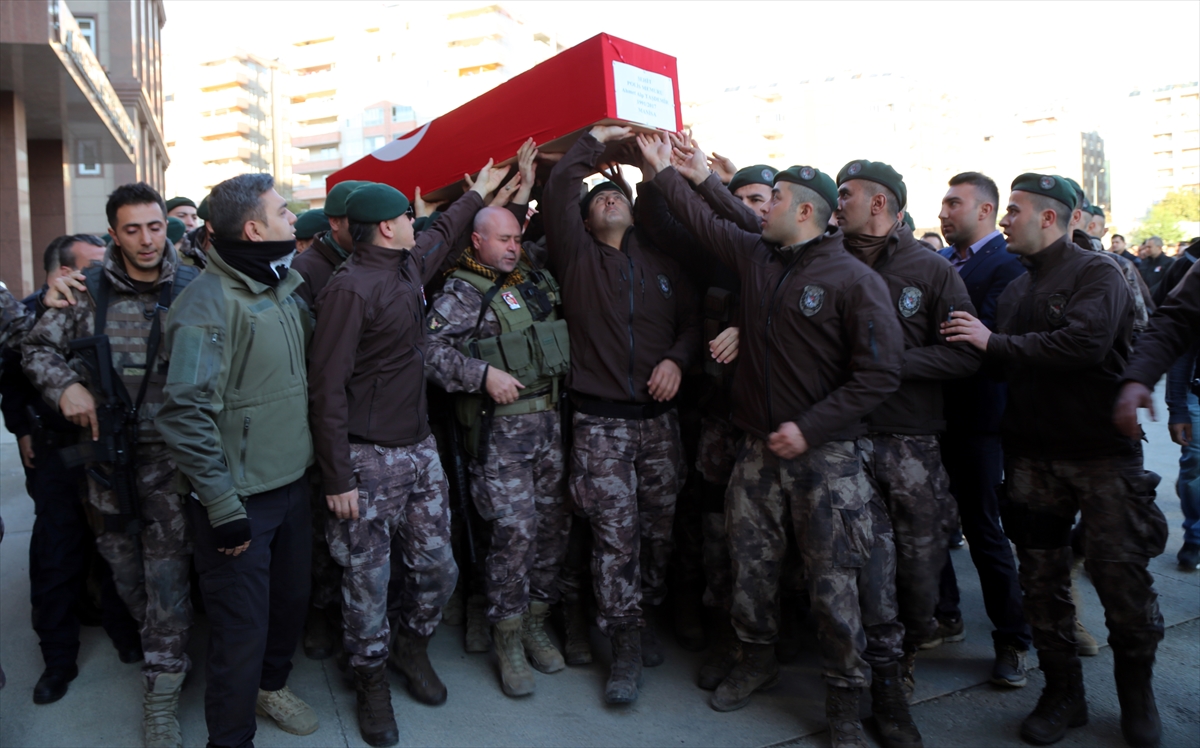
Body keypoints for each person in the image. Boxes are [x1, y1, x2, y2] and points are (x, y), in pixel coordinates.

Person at [644, 136, 913, 747]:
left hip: (829, 459)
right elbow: (707, 222)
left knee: (835, 580)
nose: (763, 209)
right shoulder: (758, 259)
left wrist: (810, 427)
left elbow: (880, 374)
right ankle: (756, 662)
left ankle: (847, 699)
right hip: (756, 451)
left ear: (805, 212)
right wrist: (669, 172)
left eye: (778, 199)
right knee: (752, 567)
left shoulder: (852, 279)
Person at [944, 173, 1167, 748]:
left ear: (1048, 218)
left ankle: (1136, 698)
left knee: (1122, 581)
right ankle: (1062, 694)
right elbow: (1005, 364)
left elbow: (1081, 346)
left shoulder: (1100, 273)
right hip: (1032, 457)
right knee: (1041, 584)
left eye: (1014, 210)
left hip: (1101, 457)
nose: (1007, 219)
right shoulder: (1018, 289)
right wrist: (966, 347)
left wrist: (991, 343)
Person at [309, 166, 500, 745]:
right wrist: (337, 475)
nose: (413, 223)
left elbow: (442, 233)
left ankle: (410, 647)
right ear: (384, 229)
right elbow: (326, 388)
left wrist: (478, 192)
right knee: (366, 583)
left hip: (419, 451)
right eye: (404, 217)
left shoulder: (406, 264)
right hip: (365, 463)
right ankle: (370, 683)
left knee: (438, 569)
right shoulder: (349, 289)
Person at [22, 184, 199, 748]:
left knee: (168, 581)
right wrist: (66, 386)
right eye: (132, 230)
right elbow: (35, 349)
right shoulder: (85, 291)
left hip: (173, 465)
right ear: (113, 233)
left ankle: (162, 693)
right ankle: (163, 650)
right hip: (107, 468)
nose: (147, 240)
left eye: (154, 226)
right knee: (127, 577)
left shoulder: (197, 287)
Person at [156, 173, 318, 748]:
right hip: (239, 501)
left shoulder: (280, 286)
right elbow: (183, 415)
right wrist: (223, 505)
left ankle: (270, 687)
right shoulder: (206, 304)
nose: (294, 216)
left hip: (291, 486)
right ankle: (230, 739)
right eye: (282, 210)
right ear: (254, 228)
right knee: (239, 634)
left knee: (289, 607)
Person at [542, 126, 701, 707]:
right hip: (600, 426)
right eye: (598, 202)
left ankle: (644, 616)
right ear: (583, 223)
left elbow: (691, 325)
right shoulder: (576, 256)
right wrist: (595, 139)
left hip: (659, 423)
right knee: (615, 539)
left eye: (616, 197)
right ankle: (625, 645)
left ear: (633, 213)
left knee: (657, 533)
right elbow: (563, 182)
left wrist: (678, 361)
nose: (608, 201)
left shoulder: (663, 264)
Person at [424, 143, 572, 699]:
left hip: (550, 428)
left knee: (554, 529)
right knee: (512, 535)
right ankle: (507, 634)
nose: (513, 247)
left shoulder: (530, 276)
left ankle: (534, 620)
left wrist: (529, 184)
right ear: (477, 241)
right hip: (500, 436)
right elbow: (426, 351)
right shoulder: (464, 291)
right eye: (503, 239)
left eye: (516, 238)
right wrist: (482, 376)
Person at [835, 160, 980, 707]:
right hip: (843, 438)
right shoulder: (825, 260)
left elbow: (966, 356)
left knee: (920, 564)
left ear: (880, 203)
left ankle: (908, 653)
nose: (837, 201)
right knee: (851, 562)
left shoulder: (933, 270)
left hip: (911, 441)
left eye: (846, 193)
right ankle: (860, 669)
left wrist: (891, 365)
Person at [0, 234, 144, 705]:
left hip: (105, 451)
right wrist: (22, 429)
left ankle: (126, 638)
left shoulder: (105, 304)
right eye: (93, 267)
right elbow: (15, 376)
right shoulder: (24, 314)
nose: (104, 274)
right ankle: (57, 661)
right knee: (57, 557)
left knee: (115, 549)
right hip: (56, 454)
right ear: (63, 272)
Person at [933, 172, 1033, 687]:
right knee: (929, 523)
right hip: (936, 416)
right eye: (944, 203)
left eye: (955, 203)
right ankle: (945, 615)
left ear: (986, 211)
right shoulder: (947, 262)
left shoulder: (1007, 264)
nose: (945, 212)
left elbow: (984, 340)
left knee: (983, 531)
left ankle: (1013, 639)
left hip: (979, 422)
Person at [290, 180, 369, 659]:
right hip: (325, 416)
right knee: (325, 529)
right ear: (336, 223)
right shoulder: (306, 270)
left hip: (366, 417)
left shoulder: (370, 258)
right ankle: (320, 614)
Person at [1117, 258, 1200, 574]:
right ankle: (1195, 537)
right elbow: (1176, 323)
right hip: (1194, 392)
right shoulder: (1192, 264)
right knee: (1195, 466)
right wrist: (1138, 378)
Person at [291, 180, 369, 308]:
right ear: (335, 222)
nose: (371, 229)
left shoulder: (376, 257)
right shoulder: (301, 269)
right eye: (360, 220)